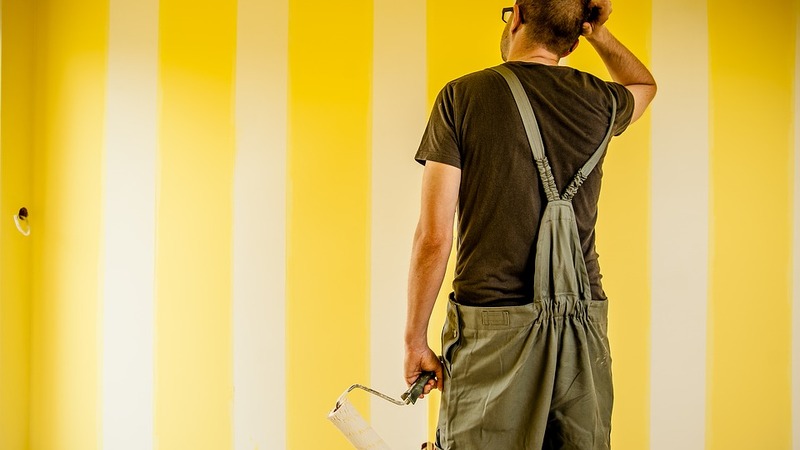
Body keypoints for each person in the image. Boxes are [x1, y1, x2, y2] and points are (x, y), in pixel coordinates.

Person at [403, 0, 656, 448]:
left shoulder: (463, 97)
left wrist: (415, 340)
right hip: (581, 324)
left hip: (491, 325)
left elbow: (434, 237)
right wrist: (597, 31)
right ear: (573, 41)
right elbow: (644, 85)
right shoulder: (601, 100)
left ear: (517, 15)